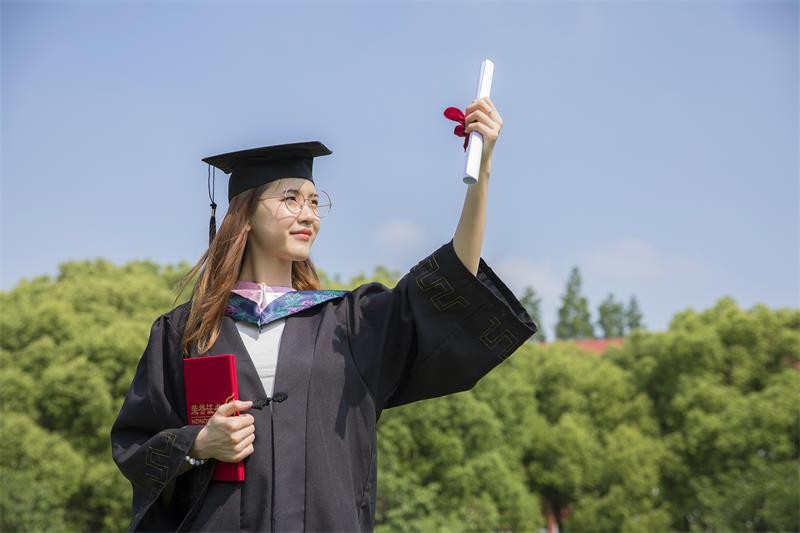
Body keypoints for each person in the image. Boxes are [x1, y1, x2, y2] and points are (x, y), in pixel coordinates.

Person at [110, 96, 537, 532]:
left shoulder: (349, 323)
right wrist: (198, 442)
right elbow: (135, 446)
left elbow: (449, 285)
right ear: (246, 214)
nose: (308, 215)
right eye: (291, 199)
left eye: (314, 202)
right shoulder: (185, 332)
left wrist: (480, 173)